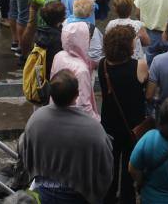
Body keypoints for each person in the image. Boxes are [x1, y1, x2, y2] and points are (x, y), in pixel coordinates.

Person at [19, 70, 114, 203]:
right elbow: (105, 171)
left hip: (43, 193)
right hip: (80, 194)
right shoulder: (93, 128)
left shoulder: (35, 120)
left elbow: (26, 155)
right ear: (76, 95)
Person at [98, 25, 148, 204]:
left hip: (109, 123)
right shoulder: (139, 66)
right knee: (129, 167)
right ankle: (127, 199)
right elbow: (147, 90)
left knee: (110, 166)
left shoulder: (102, 64)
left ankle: (109, 197)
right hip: (132, 124)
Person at [50, 6, 99, 120]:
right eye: (88, 37)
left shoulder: (59, 56)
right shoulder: (81, 69)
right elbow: (84, 105)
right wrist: (96, 122)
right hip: (76, 120)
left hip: (56, 113)